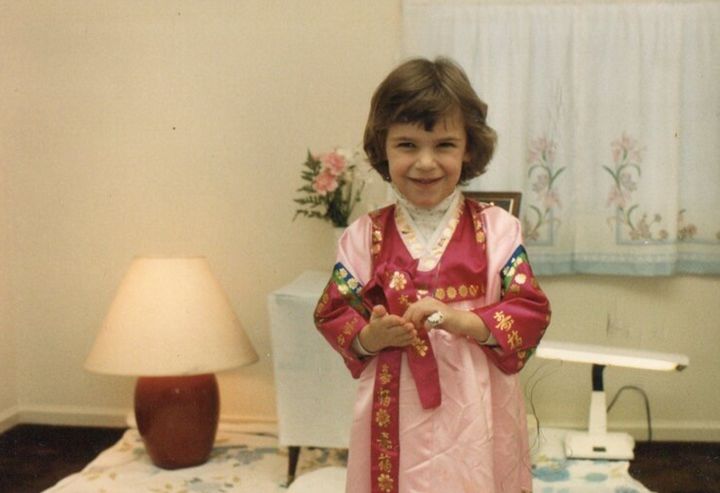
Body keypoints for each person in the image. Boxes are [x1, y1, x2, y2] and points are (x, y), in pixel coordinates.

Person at [314, 57, 551, 493]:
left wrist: (462, 320)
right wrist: (372, 337)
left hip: (477, 408)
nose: (425, 163)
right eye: (407, 145)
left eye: (444, 145)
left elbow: (530, 310)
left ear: (469, 149)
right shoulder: (362, 237)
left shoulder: (498, 230)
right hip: (394, 407)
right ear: (383, 148)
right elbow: (333, 312)